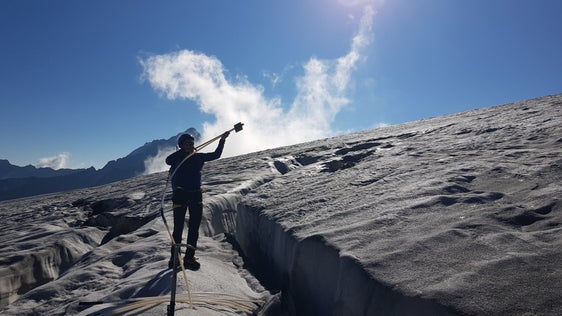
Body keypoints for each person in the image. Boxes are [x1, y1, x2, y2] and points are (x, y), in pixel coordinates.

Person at [165, 131, 229, 270]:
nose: (190, 146)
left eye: (191, 143)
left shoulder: (199, 157)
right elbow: (167, 160)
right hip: (180, 194)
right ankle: (174, 258)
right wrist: (182, 153)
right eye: (187, 144)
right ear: (181, 145)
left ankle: (189, 257)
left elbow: (216, 155)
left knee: (194, 227)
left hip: (195, 195)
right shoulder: (177, 158)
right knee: (178, 228)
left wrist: (222, 140)